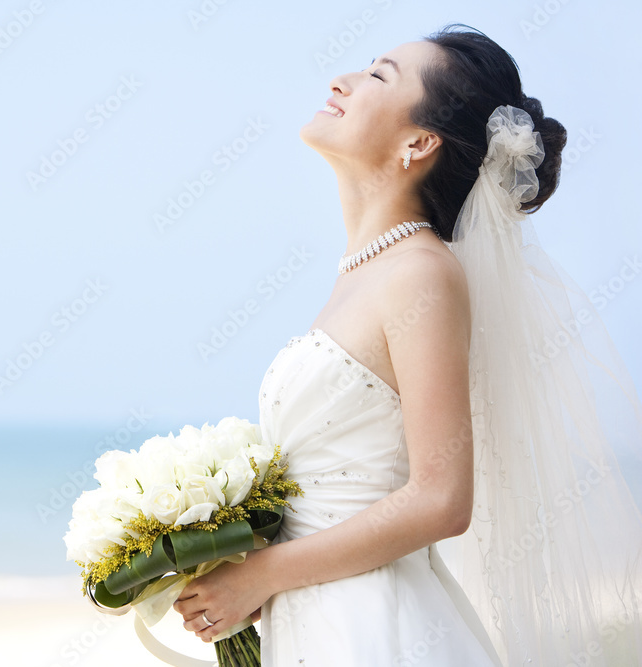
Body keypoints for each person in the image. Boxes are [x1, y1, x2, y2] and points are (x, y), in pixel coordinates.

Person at [173, 24, 642, 665]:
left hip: (375, 629)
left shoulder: (422, 272)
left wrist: (263, 575)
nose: (342, 79)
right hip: (317, 616)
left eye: (379, 76)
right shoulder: (364, 273)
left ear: (420, 141)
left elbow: (442, 498)